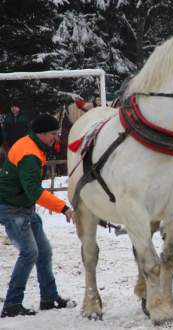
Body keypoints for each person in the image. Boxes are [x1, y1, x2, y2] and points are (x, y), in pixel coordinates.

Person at [0, 113, 75, 318]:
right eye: (53, 133)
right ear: (41, 134)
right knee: (29, 252)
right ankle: (12, 304)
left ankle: (48, 298)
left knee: (44, 251)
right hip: (11, 208)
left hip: (23, 207)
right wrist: (63, 208)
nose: (56, 138)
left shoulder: (33, 145)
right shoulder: (30, 154)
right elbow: (34, 190)